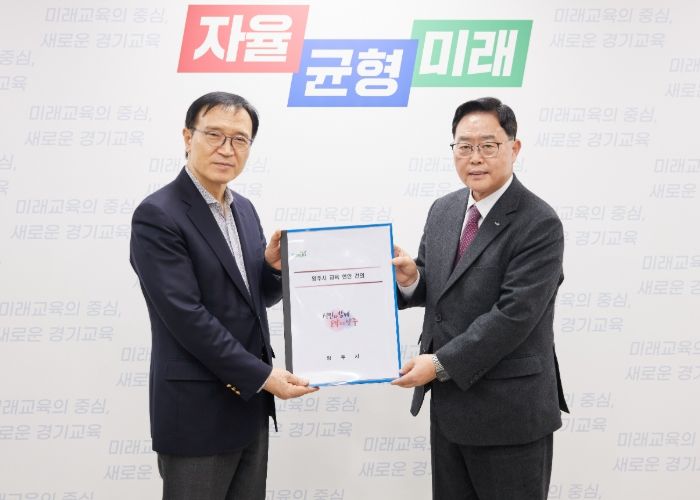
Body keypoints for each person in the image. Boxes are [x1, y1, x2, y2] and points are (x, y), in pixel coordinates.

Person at [130, 91, 317, 499]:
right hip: (197, 412)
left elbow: (252, 298)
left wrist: (271, 269)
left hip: (249, 408)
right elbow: (186, 316)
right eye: (214, 134)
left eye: (239, 139)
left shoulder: (243, 209)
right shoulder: (158, 215)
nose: (226, 149)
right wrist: (264, 376)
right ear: (187, 137)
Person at [391, 97, 568, 500]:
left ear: (514, 148)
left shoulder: (539, 222)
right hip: (450, 409)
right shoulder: (444, 209)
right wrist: (413, 278)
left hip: (510, 414)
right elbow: (440, 285)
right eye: (464, 146)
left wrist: (438, 364)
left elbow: (513, 316)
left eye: (488, 145)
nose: (475, 158)